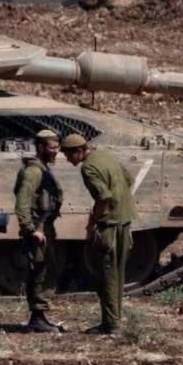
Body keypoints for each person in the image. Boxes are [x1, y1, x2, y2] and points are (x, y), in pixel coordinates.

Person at [60, 133, 136, 334]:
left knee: (107, 274)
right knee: (117, 273)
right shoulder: (105, 156)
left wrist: (94, 218)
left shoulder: (88, 167)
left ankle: (111, 325)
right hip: (124, 219)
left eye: (69, 156)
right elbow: (128, 178)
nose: (68, 160)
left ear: (79, 151)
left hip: (109, 224)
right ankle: (115, 319)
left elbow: (103, 196)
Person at [13, 129, 66, 333]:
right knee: (40, 271)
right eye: (52, 148)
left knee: (46, 268)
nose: (56, 151)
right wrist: (31, 229)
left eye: (57, 147)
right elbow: (22, 203)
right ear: (41, 147)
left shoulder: (41, 168)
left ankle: (40, 316)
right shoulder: (33, 172)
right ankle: (37, 318)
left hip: (44, 226)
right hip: (38, 228)